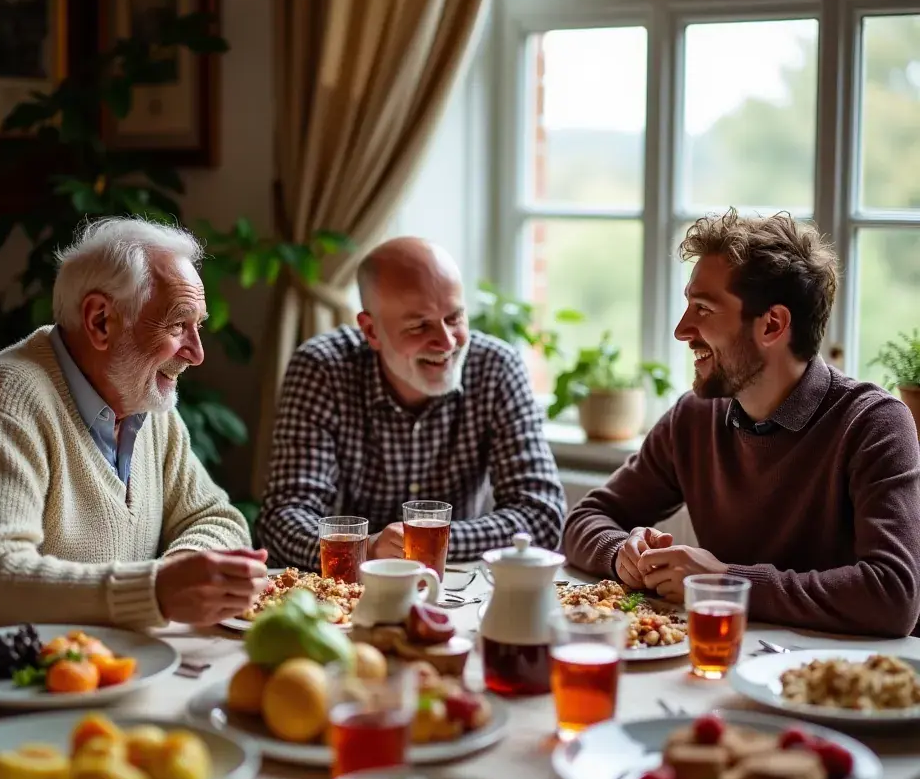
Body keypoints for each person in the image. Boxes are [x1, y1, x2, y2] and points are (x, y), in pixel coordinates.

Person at [0, 217, 267, 660]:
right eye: (176, 326)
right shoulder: (6, 400)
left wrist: (181, 574)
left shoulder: (144, 399)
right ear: (100, 321)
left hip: (95, 676)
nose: (196, 353)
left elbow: (218, 518)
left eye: (198, 326)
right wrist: (154, 593)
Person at [564, 208, 920, 638]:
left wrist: (726, 583)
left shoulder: (873, 423)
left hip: (841, 686)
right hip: (733, 662)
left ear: (772, 324)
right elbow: (586, 518)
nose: (682, 330)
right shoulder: (693, 418)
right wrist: (621, 551)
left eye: (704, 309)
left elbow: (893, 596)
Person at [258, 236, 566, 570]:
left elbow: (541, 514)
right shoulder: (322, 368)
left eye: (455, 318)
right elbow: (282, 519)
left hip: (456, 590)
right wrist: (366, 548)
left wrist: (426, 540)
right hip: (347, 592)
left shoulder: (497, 367)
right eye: (419, 325)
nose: (446, 342)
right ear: (371, 331)